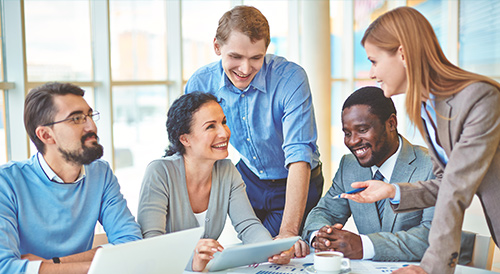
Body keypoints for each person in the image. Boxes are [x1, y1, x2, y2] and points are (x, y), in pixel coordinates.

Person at [342, 7, 500, 274]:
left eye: (374, 61)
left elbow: (456, 190)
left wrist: (430, 268)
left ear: (402, 54)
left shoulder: (480, 99)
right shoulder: (426, 109)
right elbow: (443, 184)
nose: (371, 73)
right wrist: (393, 191)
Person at [184, 5, 323, 256]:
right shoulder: (201, 83)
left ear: (266, 51)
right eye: (235, 57)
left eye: (256, 58)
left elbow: (299, 155)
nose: (245, 69)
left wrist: (288, 233)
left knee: (278, 253)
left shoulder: (291, 78)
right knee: (251, 254)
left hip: (296, 182)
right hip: (249, 180)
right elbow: (191, 151)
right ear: (217, 47)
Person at [302, 86, 474, 263]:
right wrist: (321, 236)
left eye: (362, 130)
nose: (353, 141)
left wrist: (364, 245)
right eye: (347, 133)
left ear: (391, 123)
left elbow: (434, 234)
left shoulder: (432, 165)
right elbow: (324, 211)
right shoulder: (349, 166)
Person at [137, 92, 293, 272]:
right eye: (211, 126)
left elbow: (248, 225)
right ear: (185, 138)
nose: (224, 132)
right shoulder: (160, 172)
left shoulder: (227, 170)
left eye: (224, 122)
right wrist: (191, 263)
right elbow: (150, 245)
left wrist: (272, 250)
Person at [0, 82, 142, 274]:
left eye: (90, 116)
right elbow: (5, 267)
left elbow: (131, 242)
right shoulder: (7, 182)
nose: (91, 126)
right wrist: (94, 268)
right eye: (76, 119)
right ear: (46, 135)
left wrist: (54, 263)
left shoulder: (100, 173)